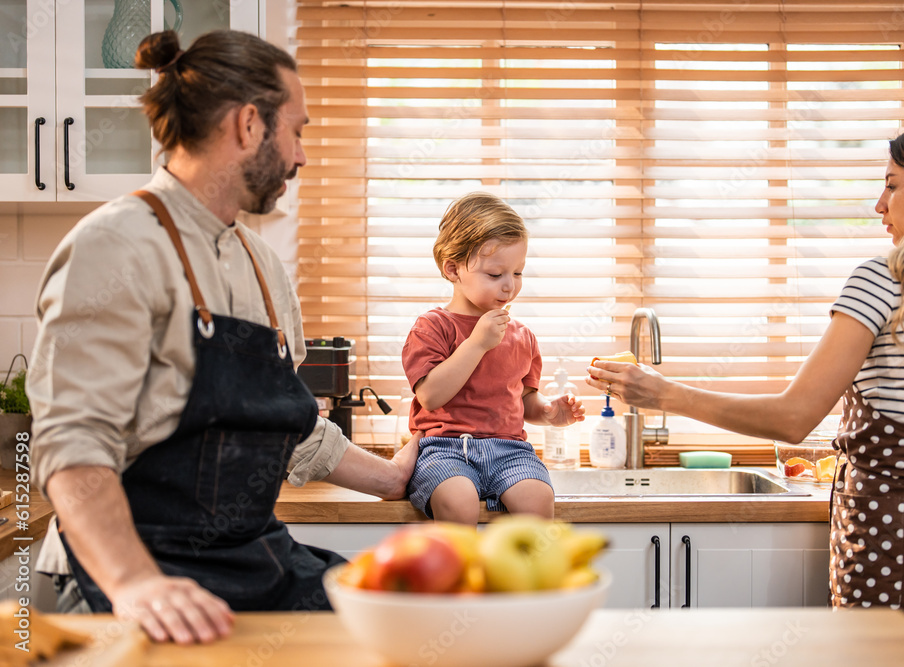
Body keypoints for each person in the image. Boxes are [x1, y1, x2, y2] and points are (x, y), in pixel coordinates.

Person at [26, 30, 418, 645]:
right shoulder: (116, 245)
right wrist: (134, 583)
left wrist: (391, 480)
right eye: (298, 130)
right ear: (248, 125)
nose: (302, 156)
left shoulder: (262, 266)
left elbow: (286, 429)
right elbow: (72, 445)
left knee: (396, 635)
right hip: (130, 575)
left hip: (251, 560)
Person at [587, 118, 904, 661]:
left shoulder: (885, 280)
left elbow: (793, 418)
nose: (880, 204)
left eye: (893, 184)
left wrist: (663, 393)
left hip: (899, 542)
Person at [401, 192, 585, 525]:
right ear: (453, 269)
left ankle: (525, 579)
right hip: (445, 448)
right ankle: (462, 577)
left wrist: (548, 411)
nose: (509, 287)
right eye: (495, 274)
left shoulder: (521, 336)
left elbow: (524, 399)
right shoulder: (432, 327)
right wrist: (477, 344)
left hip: (509, 450)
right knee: (458, 502)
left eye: (517, 273)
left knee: (538, 498)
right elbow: (430, 396)